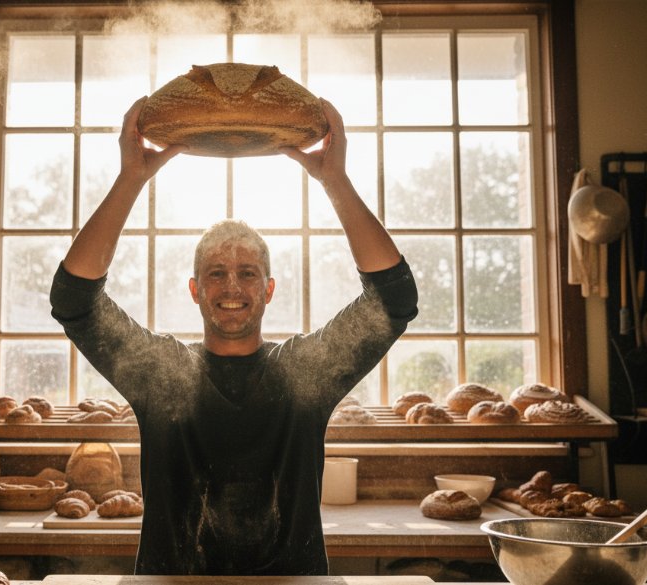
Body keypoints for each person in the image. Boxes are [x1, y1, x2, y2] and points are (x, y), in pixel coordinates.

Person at [50, 96, 418, 575]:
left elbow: (394, 301)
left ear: (267, 289)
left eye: (247, 273)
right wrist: (131, 178)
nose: (231, 287)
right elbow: (74, 301)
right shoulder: (162, 373)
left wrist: (335, 180)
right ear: (195, 290)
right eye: (216, 273)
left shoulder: (303, 372)